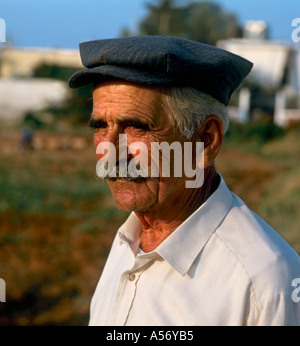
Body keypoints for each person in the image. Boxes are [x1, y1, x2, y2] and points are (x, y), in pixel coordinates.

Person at [68, 36, 300, 326]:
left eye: (137, 127)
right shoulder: (127, 241)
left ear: (205, 141)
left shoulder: (265, 283)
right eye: (101, 126)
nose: (111, 152)